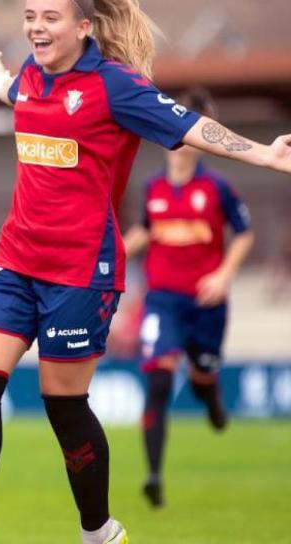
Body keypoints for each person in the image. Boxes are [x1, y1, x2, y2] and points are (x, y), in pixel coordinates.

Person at [0, 0, 291, 544]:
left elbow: (189, 126)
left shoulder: (116, 87)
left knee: (63, 407)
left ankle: (99, 531)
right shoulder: (29, 75)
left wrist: (263, 154)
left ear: (83, 26)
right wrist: (3, 85)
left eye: (50, 18)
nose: (36, 27)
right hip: (15, 261)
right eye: (29, 16)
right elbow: (28, 99)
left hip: (81, 272)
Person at [122, 88, 254, 508]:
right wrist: (115, 252)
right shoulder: (153, 187)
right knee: (158, 378)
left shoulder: (218, 189)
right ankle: (154, 476)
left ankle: (211, 397)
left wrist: (223, 275)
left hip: (206, 303)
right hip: (162, 299)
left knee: (200, 378)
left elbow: (244, 233)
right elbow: (146, 228)